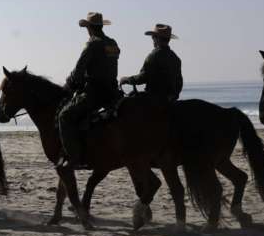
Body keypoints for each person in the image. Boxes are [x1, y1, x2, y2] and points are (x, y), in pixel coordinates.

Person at [56, 12, 121, 169]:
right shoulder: (112, 43)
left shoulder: (92, 44)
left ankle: (74, 158)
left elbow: (78, 71)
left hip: (95, 93)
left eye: (87, 28)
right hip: (112, 93)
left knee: (64, 116)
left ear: (90, 28)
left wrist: (68, 84)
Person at [119, 24, 183, 102]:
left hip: (154, 99)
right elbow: (179, 82)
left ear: (157, 38)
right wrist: (172, 96)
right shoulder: (176, 58)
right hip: (170, 100)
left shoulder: (153, 56)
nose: (152, 39)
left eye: (153, 37)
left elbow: (143, 78)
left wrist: (126, 79)